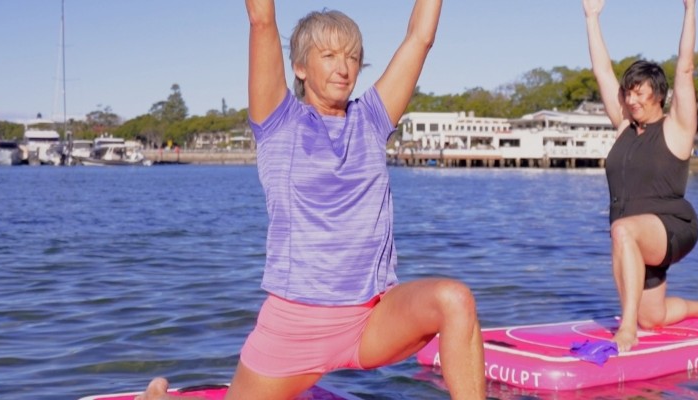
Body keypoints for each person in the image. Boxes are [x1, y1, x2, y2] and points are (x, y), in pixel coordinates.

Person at [138, 1, 486, 399]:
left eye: (352, 57)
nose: (344, 68)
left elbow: (420, 38)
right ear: (300, 67)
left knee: (454, 300)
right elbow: (262, 20)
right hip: (296, 329)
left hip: (370, 319)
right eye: (329, 56)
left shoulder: (372, 120)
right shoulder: (278, 120)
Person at [582, 0, 698, 353]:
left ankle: (627, 331)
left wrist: (690, 9)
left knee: (622, 230)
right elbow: (601, 71)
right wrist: (592, 18)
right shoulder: (624, 127)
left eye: (638, 92)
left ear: (657, 95)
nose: (631, 99)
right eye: (628, 93)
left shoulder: (676, 128)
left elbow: (685, 68)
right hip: (633, 239)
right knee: (652, 317)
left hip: (673, 226)